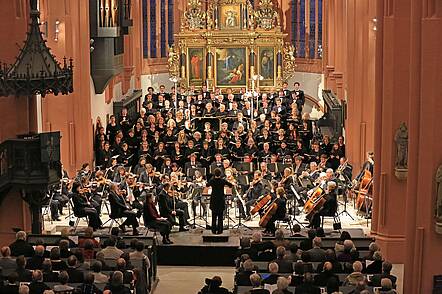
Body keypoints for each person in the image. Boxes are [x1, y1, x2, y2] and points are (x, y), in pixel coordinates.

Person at [206, 168, 233, 234]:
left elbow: (207, 185)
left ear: (214, 174)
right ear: (220, 174)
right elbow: (230, 185)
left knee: (214, 216)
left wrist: (211, 179)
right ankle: (220, 231)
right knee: (220, 217)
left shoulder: (212, 180)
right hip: (221, 199)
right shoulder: (222, 181)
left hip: (214, 199)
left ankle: (213, 230)